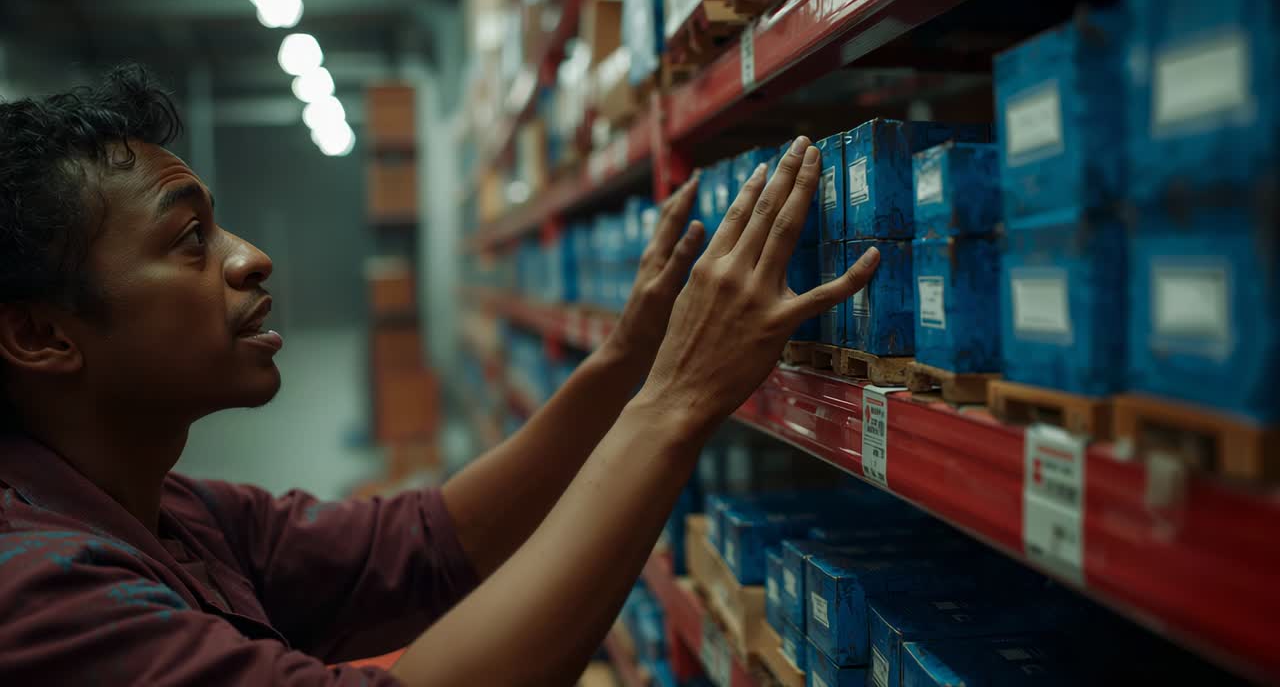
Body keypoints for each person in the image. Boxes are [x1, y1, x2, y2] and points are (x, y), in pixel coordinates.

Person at [0, 65, 879, 686]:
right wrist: (677, 400)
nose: (252, 259)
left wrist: (625, 363)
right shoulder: (38, 599)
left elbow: (425, 547)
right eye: (192, 240)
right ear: (42, 333)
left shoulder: (175, 511)